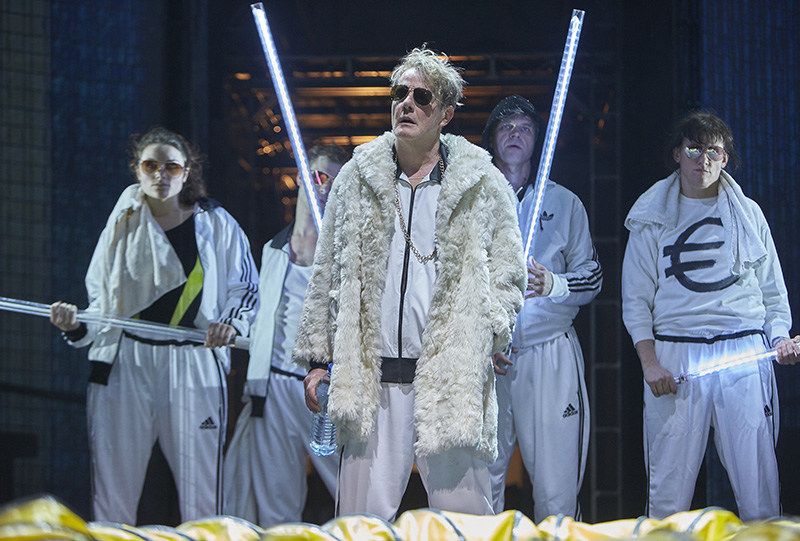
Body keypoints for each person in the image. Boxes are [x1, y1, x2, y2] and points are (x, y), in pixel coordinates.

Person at [292, 47, 527, 522]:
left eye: (422, 97)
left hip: (450, 381)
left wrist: (490, 332)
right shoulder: (356, 177)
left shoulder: (482, 182)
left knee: (466, 524)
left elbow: (509, 272)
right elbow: (327, 273)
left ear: (446, 114)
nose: (407, 104)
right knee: (359, 525)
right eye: (400, 93)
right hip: (372, 381)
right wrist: (318, 360)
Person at [50, 126, 259, 524]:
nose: (161, 174)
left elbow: (246, 288)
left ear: (186, 172)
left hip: (194, 360)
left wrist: (230, 324)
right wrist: (75, 326)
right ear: (137, 169)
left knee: (203, 494)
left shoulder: (216, 222)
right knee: (113, 492)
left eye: (171, 167)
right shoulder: (122, 221)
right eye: (150, 165)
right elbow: (102, 301)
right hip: (126, 363)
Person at [621, 111, 799, 521]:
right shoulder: (650, 216)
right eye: (694, 149)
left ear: (725, 159)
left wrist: (780, 339)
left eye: (713, 151)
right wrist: (649, 363)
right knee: (666, 497)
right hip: (676, 355)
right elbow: (635, 298)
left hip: (742, 352)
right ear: (677, 154)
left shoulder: (748, 214)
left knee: (759, 493)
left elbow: (772, 291)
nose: (703, 159)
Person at [481, 95, 602, 522]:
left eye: (525, 128)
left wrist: (554, 284)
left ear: (538, 139)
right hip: (486, 358)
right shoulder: (471, 200)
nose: (515, 135)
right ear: (492, 138)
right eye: (506, 127)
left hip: (550, 353)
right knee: (480, 490)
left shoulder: (565, 203)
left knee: (556, 494)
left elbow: (593, 277)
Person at [227, 144, 349, 528]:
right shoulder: (273, 248)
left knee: (353, 496)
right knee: (277, 509)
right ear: (300, 177)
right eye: (318, 175)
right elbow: (262, 318)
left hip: (328, 389)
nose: (324, 187)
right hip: (275, 389)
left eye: (335, 181)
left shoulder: (349, 252)